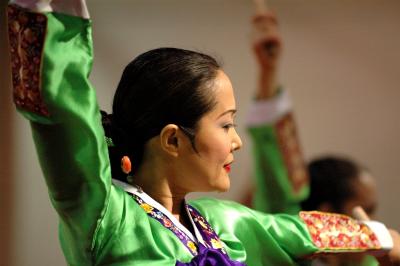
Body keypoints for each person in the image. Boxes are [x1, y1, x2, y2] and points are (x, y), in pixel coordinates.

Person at [7, 1, 399, 265]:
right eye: (226, 124)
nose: (237, 140)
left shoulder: (221, 223)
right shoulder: (107, 217)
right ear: (173, 139)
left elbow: (298, 231)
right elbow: (62, 113)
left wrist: (378, 237)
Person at [245, 5, 400, 266]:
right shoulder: (289, 255)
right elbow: (275, 172)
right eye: (366, 210)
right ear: (330, 215)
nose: (374, 224)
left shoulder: (373, 261)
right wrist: (268, 72)